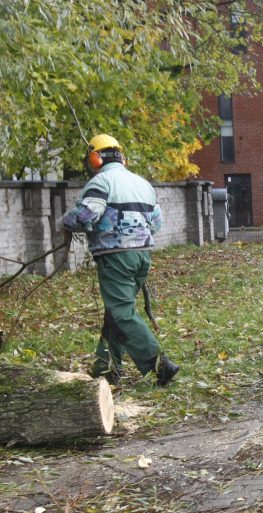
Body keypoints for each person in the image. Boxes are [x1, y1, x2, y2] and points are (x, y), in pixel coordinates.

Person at [61, 133, 179, 386]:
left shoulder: (101, 182)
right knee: (115, 312)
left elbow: (85, 216)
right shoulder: (143, 184)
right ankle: (107, 367)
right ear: (121, 157)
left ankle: (159, 363)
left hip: (115, 257)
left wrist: (64, 222)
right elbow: (156, 223)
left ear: (95, 158)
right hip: (142, 257)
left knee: (122, 313)